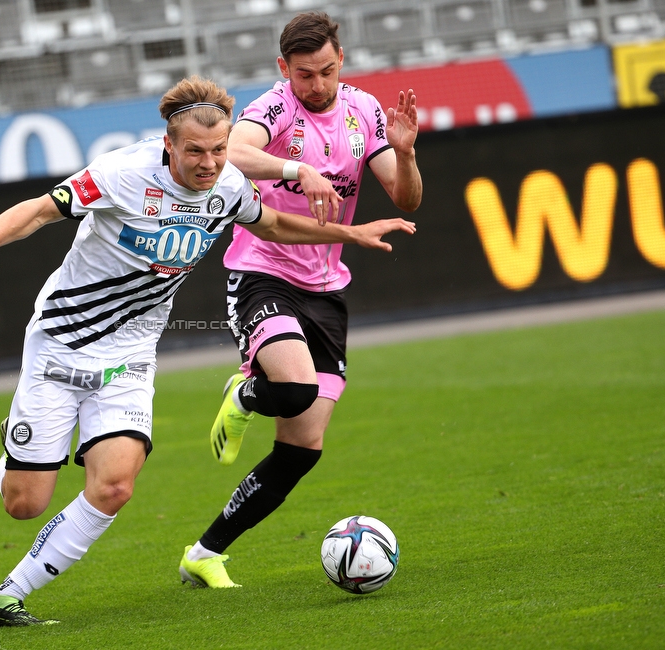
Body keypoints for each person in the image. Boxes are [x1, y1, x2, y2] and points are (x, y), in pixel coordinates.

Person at [0, 75, 415, 628]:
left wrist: (350, 234)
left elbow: (274, 224)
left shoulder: (231, 184)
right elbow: (40, 210)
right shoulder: (123, 174)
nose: (210, 162)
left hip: (132, 353)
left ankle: (6, 598)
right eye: (196, 150)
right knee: (24, 503)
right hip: (62, 344)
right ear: (169, 144)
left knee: (116, 484)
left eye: (219, 150)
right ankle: (14, 444)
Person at [179, 11, 423, 589]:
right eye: (305, 74)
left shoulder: (363, 110)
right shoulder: (274, 109)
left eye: (327, 71)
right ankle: (245, 393)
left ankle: (205, 552)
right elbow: (233, 153)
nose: (317, 84)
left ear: (342, 62)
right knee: (291, 390)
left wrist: (407, 154)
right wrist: (298, 168)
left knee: (303, 445)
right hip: (262, 271)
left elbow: (406, 199)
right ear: (284, 69)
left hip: (326, 287)